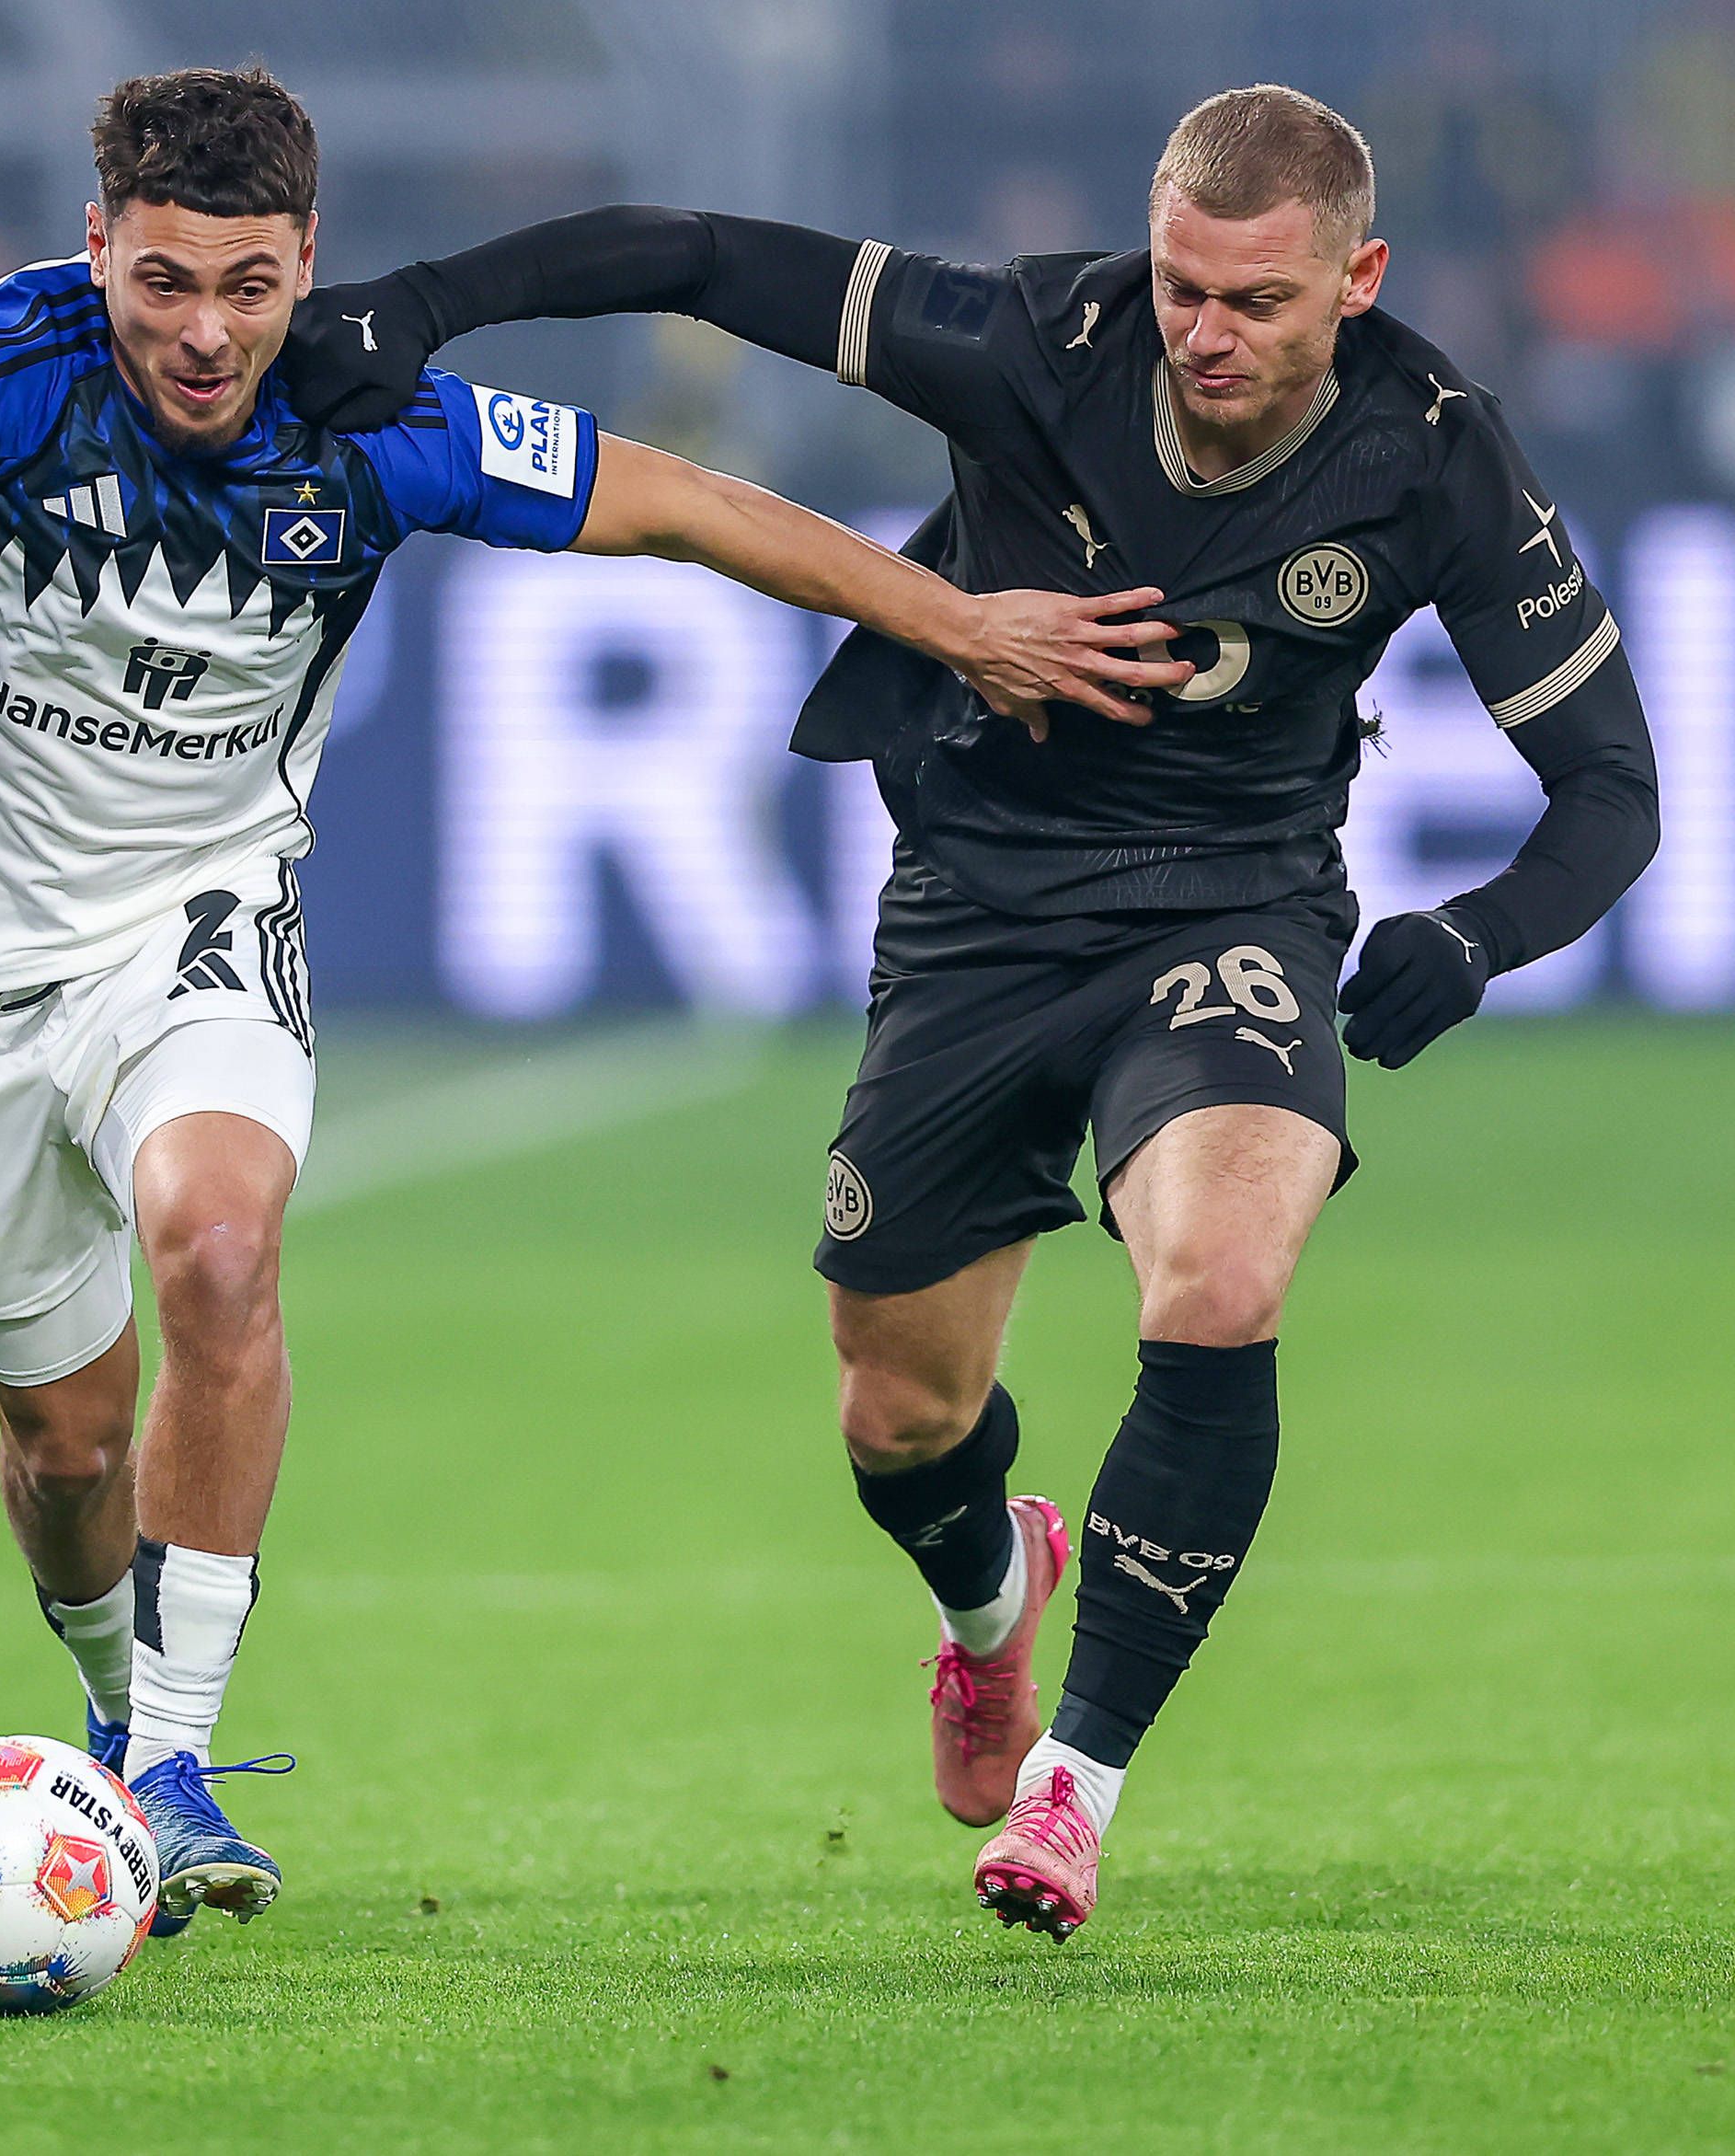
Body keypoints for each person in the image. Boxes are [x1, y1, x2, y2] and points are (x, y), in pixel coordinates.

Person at [0, 66, 1183, 1941]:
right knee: (63, 1451)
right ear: (94, 253)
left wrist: (959, 622)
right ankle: (115, 1699)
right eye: (159, 282)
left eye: (244, 281)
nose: (204, 332)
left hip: (198, 918)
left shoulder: (375, 413)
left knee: (218, 1250)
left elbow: (682, 505)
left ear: (307, 259)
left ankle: (171, 1767)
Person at [291, 85, 1661, 1937]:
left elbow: (1605, 786)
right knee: (896, 1413)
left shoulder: (1434, 452)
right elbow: (698, 258)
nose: (1203, 332)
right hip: (977, 916)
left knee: (1220, 1278)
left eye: (1255, 301)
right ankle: (986, 1605)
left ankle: (1071, 1790)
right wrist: (427, 301)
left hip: (1231, 908)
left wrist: (1480, 934)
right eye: (1182, 282)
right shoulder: (1034, 340)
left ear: (1358, 281)